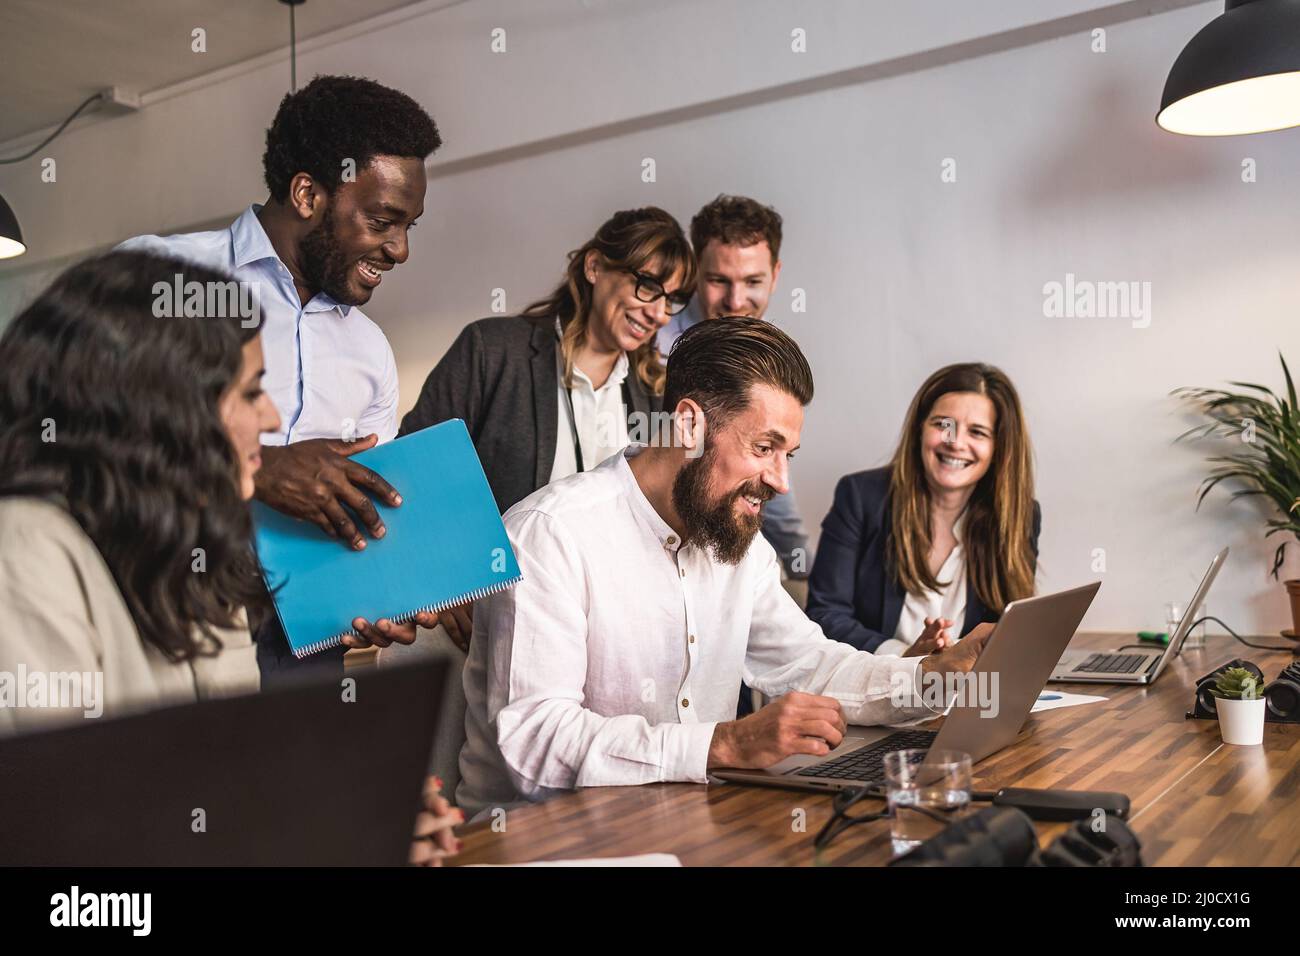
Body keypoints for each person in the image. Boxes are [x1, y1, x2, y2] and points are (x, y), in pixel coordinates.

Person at [0, 250, 459, 865]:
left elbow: (232, 778)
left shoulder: (199, 556)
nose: (269, 421)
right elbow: (71, 835)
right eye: (249, 393)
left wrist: (360, 812)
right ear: (161, 412)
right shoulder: (25, 551)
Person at [457, 318, 990, 818]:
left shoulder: (738, 544)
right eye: (764, 447)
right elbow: (535, 743)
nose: (781, 481)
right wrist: (726, 743)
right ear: (689, 425)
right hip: (545, 842)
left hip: (691, 825)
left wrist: (932, 680)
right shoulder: (549, 534)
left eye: (789, 455)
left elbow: (812, 665)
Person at [117, 75, 455, 681]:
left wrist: (377, 596)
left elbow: (359, 510)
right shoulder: (165, 275)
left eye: (410, 226)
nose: (400, 249)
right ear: (307, 195)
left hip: (307, 650)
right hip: (166, 620)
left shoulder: (369, 351)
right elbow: (78, 434)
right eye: (382, 221)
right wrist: (261, 468)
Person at [398, 207, 695, 649]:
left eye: (671, 300)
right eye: (648, 286)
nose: (658, 313)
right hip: (468, 622)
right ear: (594, 267)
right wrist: (448, 583)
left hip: (591, 637)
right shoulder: (492, 349)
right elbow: (414, 471)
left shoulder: (656, 393)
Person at [806, 363, 1041, 655]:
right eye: (943, 424)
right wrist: (904, 657)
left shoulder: (1019, 515)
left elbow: (1009, 627)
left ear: (999, 448)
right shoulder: (860, 496)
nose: (956, 443)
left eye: (978, 432)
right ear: (920, 428)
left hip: (967, 693)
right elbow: (825, 615)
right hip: (873, 686)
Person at [658, 194, 811, 583]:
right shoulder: (649, 345)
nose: (736, 300)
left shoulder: (768, 354)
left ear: (775, 274)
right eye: (718, 280)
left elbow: (766, 475)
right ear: (695, 274)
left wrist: (809, 574)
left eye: (753, 281)